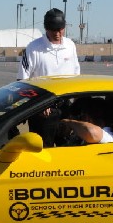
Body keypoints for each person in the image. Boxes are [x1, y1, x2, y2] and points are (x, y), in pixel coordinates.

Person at [17, 8, 81, 146]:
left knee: (66, 148)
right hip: (42, 110)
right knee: (43, 150)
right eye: (53, 30)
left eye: (61, 29)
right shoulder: (33, 48)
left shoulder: (70, 46)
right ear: (46, 28)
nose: (58, 34)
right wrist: (39, 104)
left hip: (66, 107)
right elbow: (22, 81)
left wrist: (77, 105)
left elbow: (77, 75)